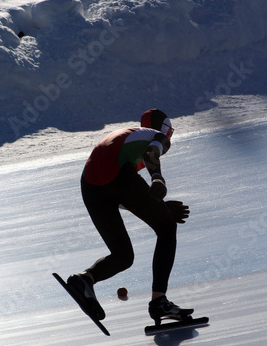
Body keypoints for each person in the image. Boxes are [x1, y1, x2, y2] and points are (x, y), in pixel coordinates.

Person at [66, 108, 192, 325]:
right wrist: (157, 179)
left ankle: (84, 280)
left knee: (123, 256)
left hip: (90, 184)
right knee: (166, 227)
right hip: (115, 175)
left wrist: (156, 205)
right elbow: (151, 154)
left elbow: (117, 193)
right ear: (167, 130)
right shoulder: (157, 137)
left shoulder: (129, 137)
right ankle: (159, 301)